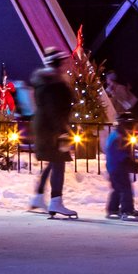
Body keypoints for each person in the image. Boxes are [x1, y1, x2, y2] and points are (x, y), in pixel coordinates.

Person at [27, 48, 78, 218]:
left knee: (53, 161)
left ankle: (38, 196)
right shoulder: (54, 84)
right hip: (53, 129)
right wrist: (63, 130)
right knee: (59, 162)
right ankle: (56, 200)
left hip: (45, 127)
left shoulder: (44, 82)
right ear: (57, 64)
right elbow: (54, 109)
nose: (64, 65)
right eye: (61, 63)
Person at [103, 122, 138, 221]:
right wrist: (131, 164)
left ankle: (113, 209)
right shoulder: (119, 137)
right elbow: (121, 154)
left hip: (112, 166)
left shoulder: (115, 135)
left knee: (117, 188)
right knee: (126, 188)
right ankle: (127, 210)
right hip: (118, 166)